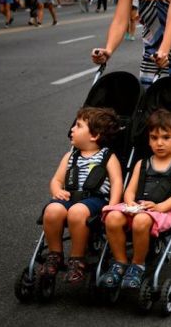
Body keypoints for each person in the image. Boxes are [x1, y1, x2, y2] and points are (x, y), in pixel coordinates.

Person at [99, 109, 171, 289]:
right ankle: (120, 262)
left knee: (141, 221)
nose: (159, 143)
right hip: (138, 207)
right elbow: (130, 190)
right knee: (112, 217)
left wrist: (160, 207)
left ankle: (137, 265)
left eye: (166, 137)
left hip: (164, 210)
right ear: (148, 140)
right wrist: (130, 202)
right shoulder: (142, 163)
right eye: (154, 138)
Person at [40, 107, 123, 283]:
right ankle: (55, 254)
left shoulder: (107, 157)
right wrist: (57, 191)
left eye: (78, 126)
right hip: (70, 197)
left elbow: (116, 182)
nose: (72, 129)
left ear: (94, 136)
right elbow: (56, 180)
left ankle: (77, 259)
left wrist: (112, 205)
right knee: (52, 210)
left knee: (77, 212)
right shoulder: (70, 156)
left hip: (95, 200)